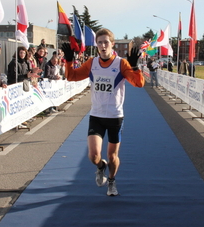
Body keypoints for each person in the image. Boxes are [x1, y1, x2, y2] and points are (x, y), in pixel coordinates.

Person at [61, 28, 145, 196]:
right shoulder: (92, 63)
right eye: (100, 42)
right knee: (93, 155)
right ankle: (101, 167)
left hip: (115, 117)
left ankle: (112, 181)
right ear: (97, 45)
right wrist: (68, 61)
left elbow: (139, 83)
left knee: (113, 156)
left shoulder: (121, 63)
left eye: (106, 42)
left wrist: (135, 66)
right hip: (96, 115)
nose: (103, 45)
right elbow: (72, 76)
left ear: (112, 44)